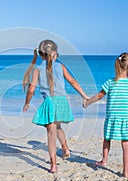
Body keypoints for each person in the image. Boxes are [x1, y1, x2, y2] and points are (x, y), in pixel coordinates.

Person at [23, 39, 88, 173]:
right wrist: (83, 95)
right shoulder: (61, 67)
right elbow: (73, 81)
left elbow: (31, 89)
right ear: (54, 53)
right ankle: (65, 148)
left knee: (51, 134)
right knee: (57, 127)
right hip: (63, 101)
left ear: (41, 55)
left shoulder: (38, 70)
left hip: (50, 103)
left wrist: (27, 103)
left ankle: (53, 165)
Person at [83, 52, 128, 178]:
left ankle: (104, 160)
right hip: (127, 118)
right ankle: (125, 171)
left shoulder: (110, 82)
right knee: (126, 144)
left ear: (117, 66)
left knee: (107, 139)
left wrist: (88, 102)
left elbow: (99, 96)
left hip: (112, 117)